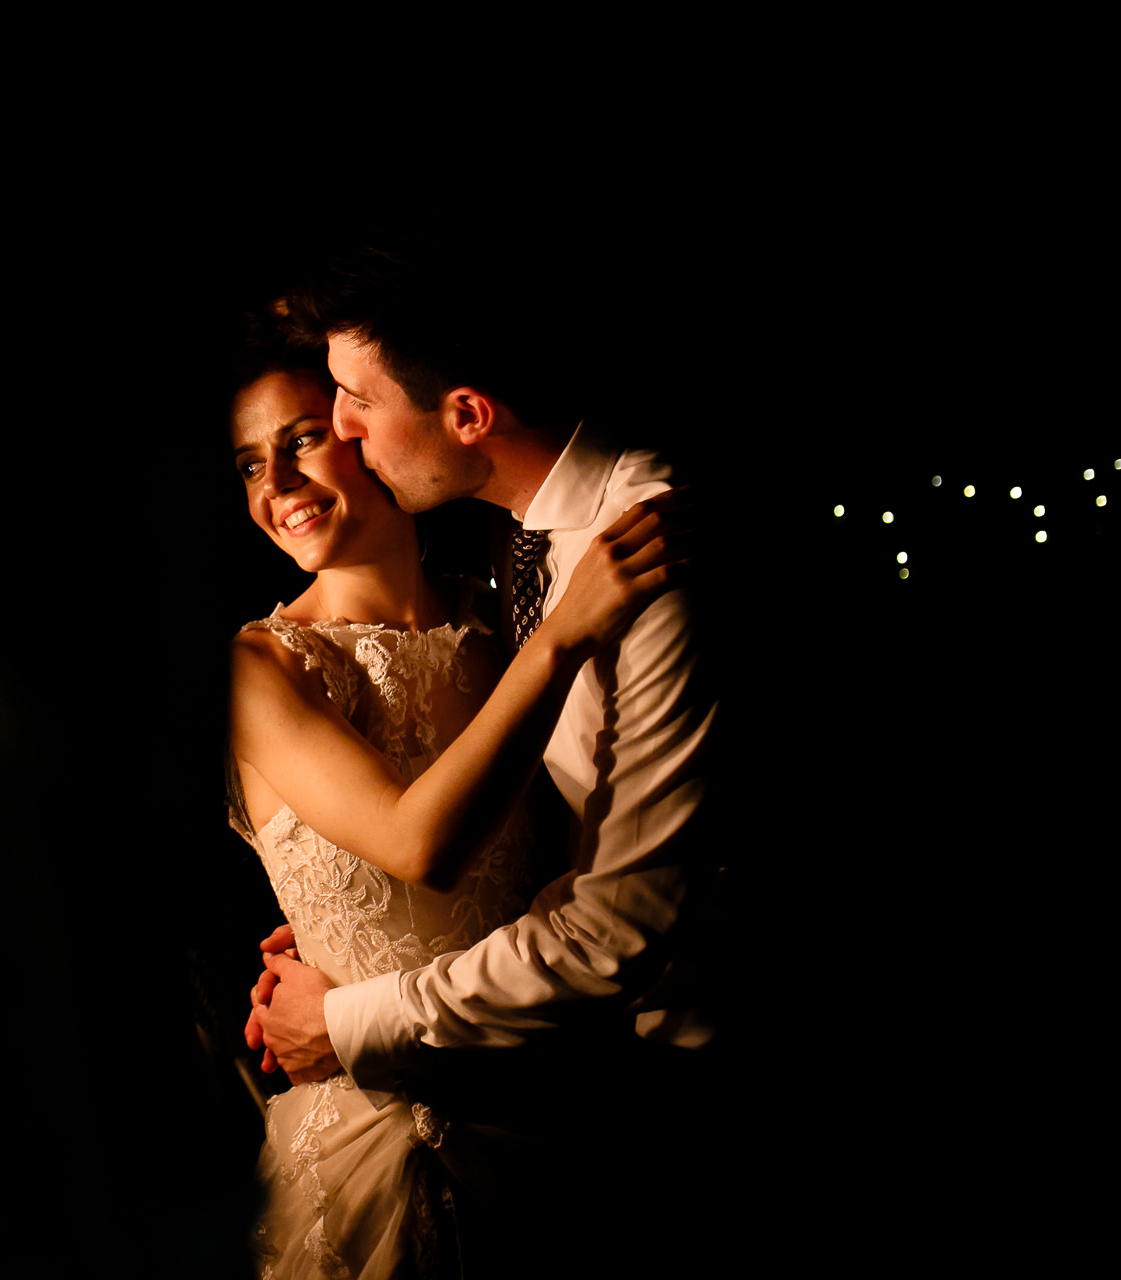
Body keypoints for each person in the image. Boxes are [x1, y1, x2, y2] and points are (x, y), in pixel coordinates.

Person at [244, 245, 724, 1246]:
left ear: (466, 414)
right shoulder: (525, 556)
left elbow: (616, 924)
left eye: (347, 403)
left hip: (664, 1093)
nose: (340, 428)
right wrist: (338, 925)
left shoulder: (638, 550)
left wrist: (346, 1014)